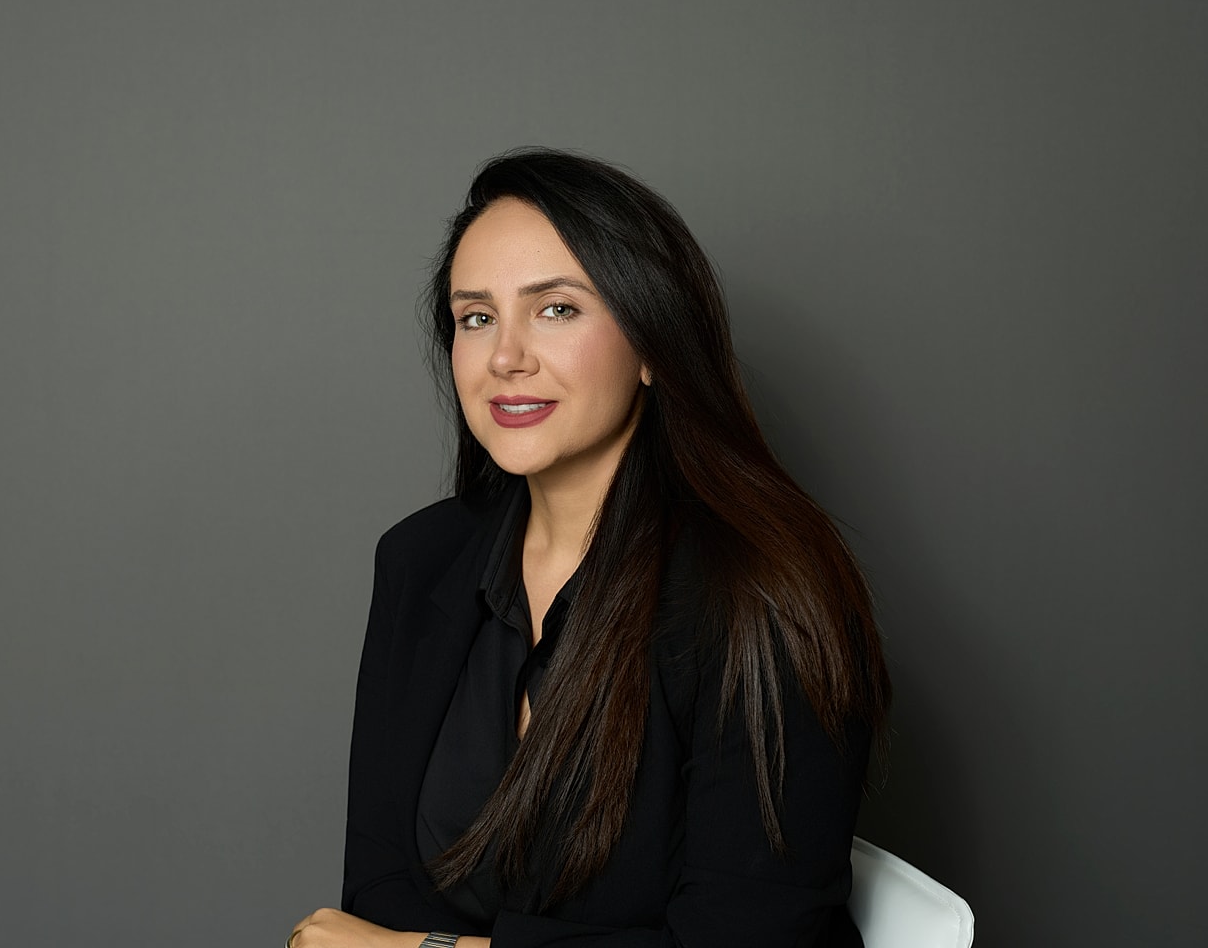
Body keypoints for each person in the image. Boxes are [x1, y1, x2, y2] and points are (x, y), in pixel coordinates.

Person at [289, 149, 891, 948]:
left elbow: (749, 939)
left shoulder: (765, 591)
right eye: (477, 317)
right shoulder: (420, 559)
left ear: (652, 343)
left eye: (557, 309)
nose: (506, 357)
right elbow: (376, 887)